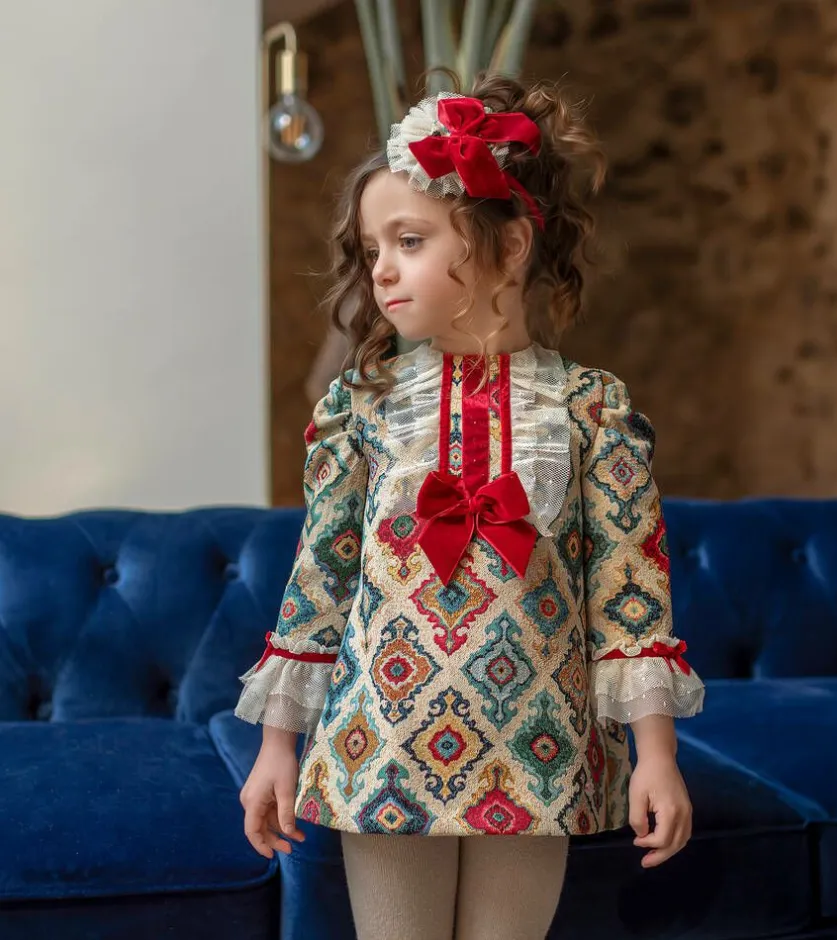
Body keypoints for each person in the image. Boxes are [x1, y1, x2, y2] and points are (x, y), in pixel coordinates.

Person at [235, 72, 706, 940]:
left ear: (511, 245)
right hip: (382, 739)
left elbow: (630, 595)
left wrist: (657, 754)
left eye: (408, 240)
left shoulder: (593, 411)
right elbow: (319, 582)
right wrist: (275, 746)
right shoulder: (359, 408)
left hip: (537, 744)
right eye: (371, 249)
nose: (381, 269)